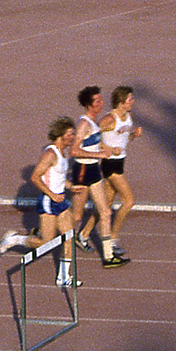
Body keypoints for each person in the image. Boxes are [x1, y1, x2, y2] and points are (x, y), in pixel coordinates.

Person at [0, 117, 82, 288]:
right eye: (70, 134)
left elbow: (58, 177)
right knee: (46, 242)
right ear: (60, 135)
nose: (73, 137)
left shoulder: (62, 153)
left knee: (69, 237)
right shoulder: (50, 154)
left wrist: (70, 186)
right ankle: (15, 240)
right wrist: (52, 194)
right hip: (49, 201)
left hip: (61, 200)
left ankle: (63, 278)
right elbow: (35, 177)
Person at [68, 86, 125, 268]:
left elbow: (95, 143)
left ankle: (108, 256)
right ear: (88, 104)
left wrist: (109, 150)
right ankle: (45, 234)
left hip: (94, 171)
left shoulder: (94, 122)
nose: (101, 104)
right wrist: (98, 156)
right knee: (76, 217)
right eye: (97, 101)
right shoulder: (83, 123)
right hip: (82, 171)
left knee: (105, 211)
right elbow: (74, 151)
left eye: (101, 100)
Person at [94, 85, 143, 262]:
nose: (133, 101)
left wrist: (133, 136)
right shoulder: (109, 119)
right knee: (129, 201)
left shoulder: (127, 117)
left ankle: (83, 235)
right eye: (130, 99)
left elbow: (122, 140)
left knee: (105, 204)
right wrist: (107, 149)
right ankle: (113, 239)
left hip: (120, 162)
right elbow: (89, 139)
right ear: (121, 102)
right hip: (109, 165)